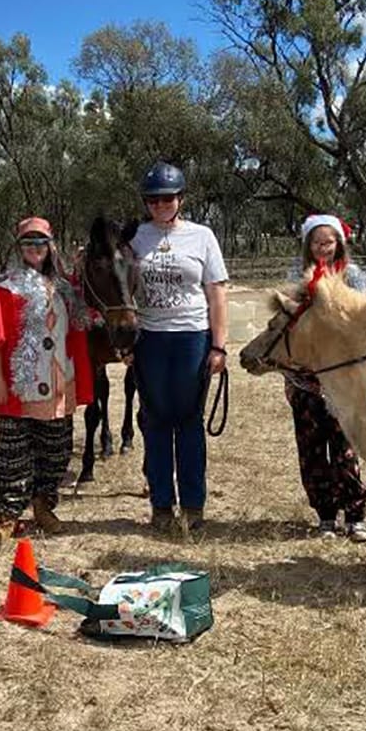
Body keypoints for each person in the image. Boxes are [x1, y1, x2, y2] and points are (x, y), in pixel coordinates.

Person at [129, 161, 229, 533]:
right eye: (153, 200)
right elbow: (119, 288)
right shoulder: (136, 238)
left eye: (168, 198)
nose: (160, 205)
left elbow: (217, 293)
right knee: (154, 422)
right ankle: (160, 505)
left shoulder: (202, 236)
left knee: (189, 421)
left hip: (192, 337)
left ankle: (193, 505)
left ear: (180, 199)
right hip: (150, 339)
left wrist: (218, 345)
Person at [0, 217, 94, 547]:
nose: (35, 249)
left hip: (60, 381)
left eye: (41, 242)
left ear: (51, 246)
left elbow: (88, 319)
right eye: (28, 243)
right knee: (13, 453)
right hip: (21, 384)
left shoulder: (65, 289)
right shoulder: (5, 287)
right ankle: (7, 516)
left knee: (56, 451)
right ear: (19, 248)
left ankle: (44, 507)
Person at [283, 215, 366, 541]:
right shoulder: (297, 277)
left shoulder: (353, 276)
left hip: (343, 379)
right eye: (317, 242)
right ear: (308, 245)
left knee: (345, 446)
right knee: (311, 448)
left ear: (339, 244)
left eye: (328, 242)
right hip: (304, 378)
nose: (323, 247)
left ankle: (355, 514)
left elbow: (362, 320)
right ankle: (324, 515)